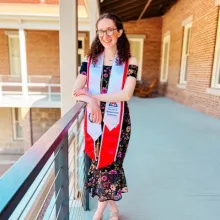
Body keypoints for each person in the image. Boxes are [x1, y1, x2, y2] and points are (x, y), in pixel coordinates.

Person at [72, 13, 138, 220]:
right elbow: (76, 90)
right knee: (98, 163)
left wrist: (94, 96)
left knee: (110, 164)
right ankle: (113, 210)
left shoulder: (129, 61)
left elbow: (126, 94)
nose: (105, 35)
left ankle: (100, 210)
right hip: (94, 117)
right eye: (101, 30)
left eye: (110, 29)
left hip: (117, 121)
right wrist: (91, 101)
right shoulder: (89, 61)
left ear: (119, 32)